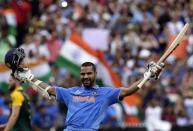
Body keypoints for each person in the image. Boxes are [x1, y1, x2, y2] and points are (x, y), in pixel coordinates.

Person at [5, 48, 164, 131]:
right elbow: (50, 90)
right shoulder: (71, 92)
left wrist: (147, 75)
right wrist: (30, 77)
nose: (86, 76)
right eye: (83, 74)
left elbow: (129, 90)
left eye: (89, 73)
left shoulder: (105, 93)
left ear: (95, 74)